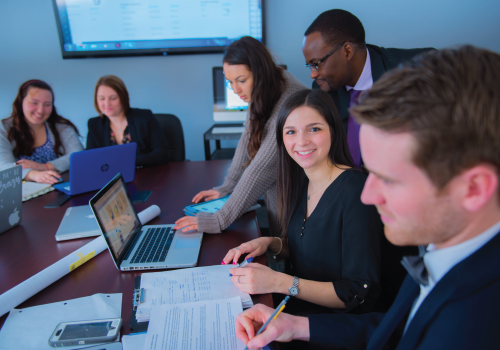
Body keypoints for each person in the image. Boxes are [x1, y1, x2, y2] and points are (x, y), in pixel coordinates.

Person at [235, 46, 500, 350]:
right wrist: (294, 325)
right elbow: (396, 329)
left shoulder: (476, 326)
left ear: (474, 188)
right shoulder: (437, 254)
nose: (369, 194)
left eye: (389, 178)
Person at [222, 89, 383, 320]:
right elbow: (313, 245)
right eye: (291, 132)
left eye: (314, 129)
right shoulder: (300, 181)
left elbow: (357, 292)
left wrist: (279, 281)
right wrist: (269, 242)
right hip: (296, 310)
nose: (301, 141)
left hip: (334, 326)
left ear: (334, 131)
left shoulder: (356, 191)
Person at [174, 36, 306, 234]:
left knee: (290, 254)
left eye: (241, 80)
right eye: (230, 82)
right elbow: (248, 136)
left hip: (301, 201)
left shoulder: (289, 98)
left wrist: (218, 220)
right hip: (282, 196)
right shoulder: (264, 88)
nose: (236, 89)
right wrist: (227, 187)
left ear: (260, 73)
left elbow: (263, 166)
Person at [303, 9, 433, 167]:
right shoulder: (323, 89)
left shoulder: (419, 70)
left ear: (348, 51)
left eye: (316, 64)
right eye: (309, 66)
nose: (313, 75)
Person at [0, 79, 83, 184]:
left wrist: (43, 167)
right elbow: (3, 166)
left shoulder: (62, 127)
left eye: (47, 104)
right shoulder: (4, 128)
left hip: (58, 187)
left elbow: (78, 155)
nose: (40, 110)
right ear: (21, 102)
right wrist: (34, 174)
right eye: (34, 103)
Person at [86, 75, 169, 167]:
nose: (107, 103)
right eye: (102, 98)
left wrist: (129, 161)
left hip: (146, 175)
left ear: (123, 97)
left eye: (113, 98)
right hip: (112, 178)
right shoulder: (94, 124)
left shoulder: (144, 117)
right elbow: (90, 158)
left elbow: (162, 153)